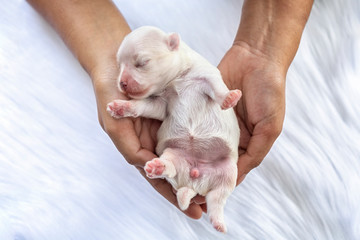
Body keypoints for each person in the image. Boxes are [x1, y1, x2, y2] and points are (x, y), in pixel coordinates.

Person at [27, 0, 313, 219]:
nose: (122, 80)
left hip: (216, 142)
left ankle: (206, 200)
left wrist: (262, 50)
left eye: (140, 64)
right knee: (171, 158)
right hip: (181, 145)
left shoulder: (195, 68)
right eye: (122, 67)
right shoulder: (163, 85)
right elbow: (158, 107)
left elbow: (208, 82)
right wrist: (106, 57)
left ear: (173, 46)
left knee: (224, 171)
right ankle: (171, 169)